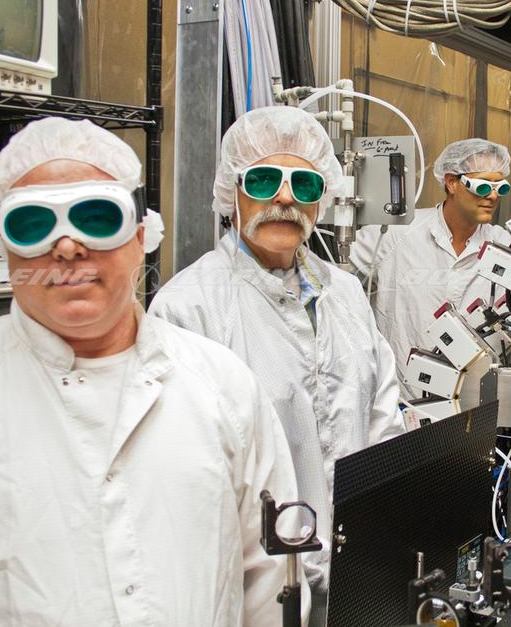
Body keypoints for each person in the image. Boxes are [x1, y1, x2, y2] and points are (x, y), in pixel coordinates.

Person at [0, 117, 301, 626]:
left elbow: (272, 580)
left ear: (142, 236)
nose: (67, 246)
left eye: (96, 218)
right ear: (2, 244)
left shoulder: (223, 388)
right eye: (33, 223)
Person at [149, 106, 404, 620]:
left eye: (305, 184)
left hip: (358, 572)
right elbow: (183, 481)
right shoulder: (187, 309)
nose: (286, 198)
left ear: (321, 199)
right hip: (258, 586)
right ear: (232, 192)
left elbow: (383, 422)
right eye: (265, 180)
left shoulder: (346, 293)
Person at [350, 138, 511, 367]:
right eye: (483, 186)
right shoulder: (396, 235)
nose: (493, 197)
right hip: (401, 386)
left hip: (477, 387)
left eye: (500, 188)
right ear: (452, 183)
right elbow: (332, 278)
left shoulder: (505, 248)